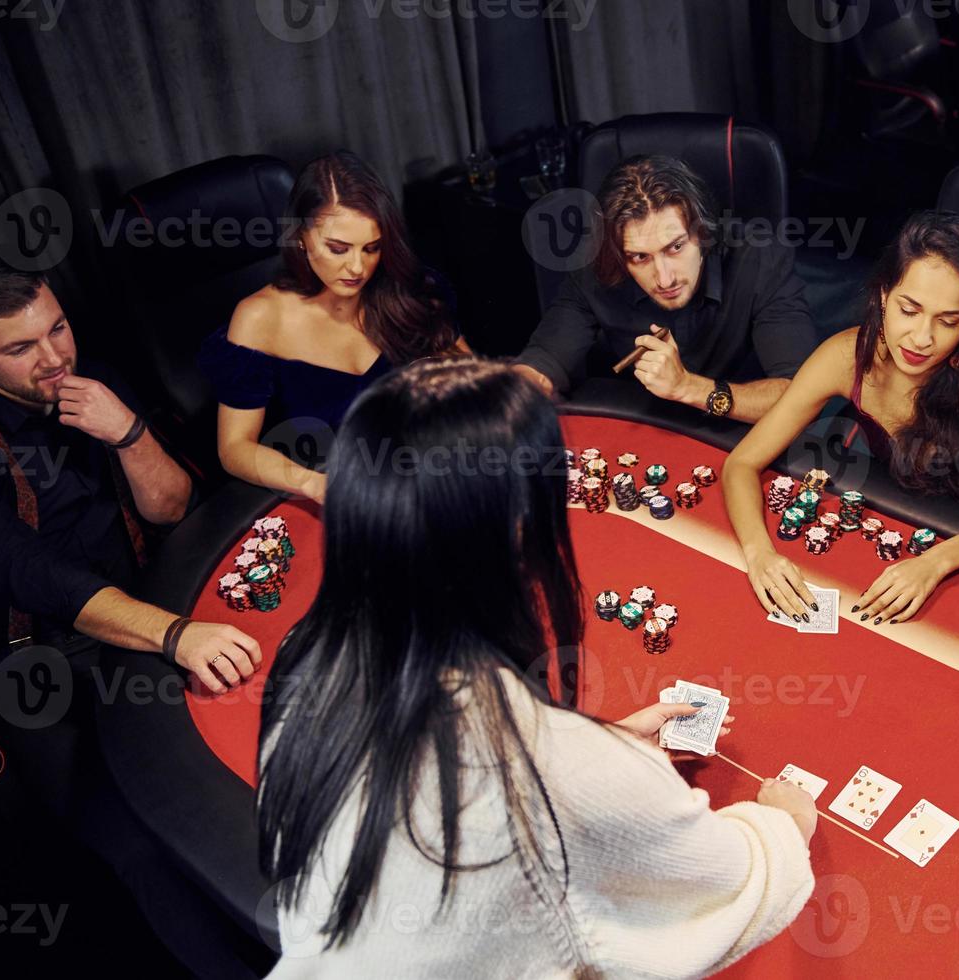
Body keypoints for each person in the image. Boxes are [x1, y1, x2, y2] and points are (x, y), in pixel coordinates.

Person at [257, 359, 816, 977]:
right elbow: (725, 891)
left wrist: (600, 752)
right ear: (520, 533)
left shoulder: (302, 663)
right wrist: (785, 824)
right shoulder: (556, 772)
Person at [0, 258, 259, 695]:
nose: (55, 359)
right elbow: (25, 569)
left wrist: (130, 434)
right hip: (42, 657)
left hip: (152, 602)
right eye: (20, 349)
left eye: (58, 328)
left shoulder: (98, 378)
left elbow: (172, 510)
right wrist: (173, 633)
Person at [722, 211, 959, 624]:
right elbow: (741, 462)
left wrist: (935, 563)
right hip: (901, 513)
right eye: (909, 309)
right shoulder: (844, 358)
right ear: (884, 295)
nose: (921, 338)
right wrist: (759, 554)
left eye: (949, 321)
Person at [200, 150, 467, 503]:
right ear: (301, 237)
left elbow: (470, 378)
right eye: (338, 248)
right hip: (328, 491)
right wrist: (311, 483)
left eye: (371, 248)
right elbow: (234, 449)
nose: (357, 267)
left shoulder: (407, 288)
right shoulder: (258, 318)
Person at [513, 155, 817, 422]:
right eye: (640, 257)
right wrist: (520, 387)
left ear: (703, 232)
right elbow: (544, 361)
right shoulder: (597, 266)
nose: (664, 279)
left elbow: (801, 396)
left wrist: (687, 387)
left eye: (676, 247)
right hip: (644, 424)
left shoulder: (761, 258)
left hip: (741, 431)